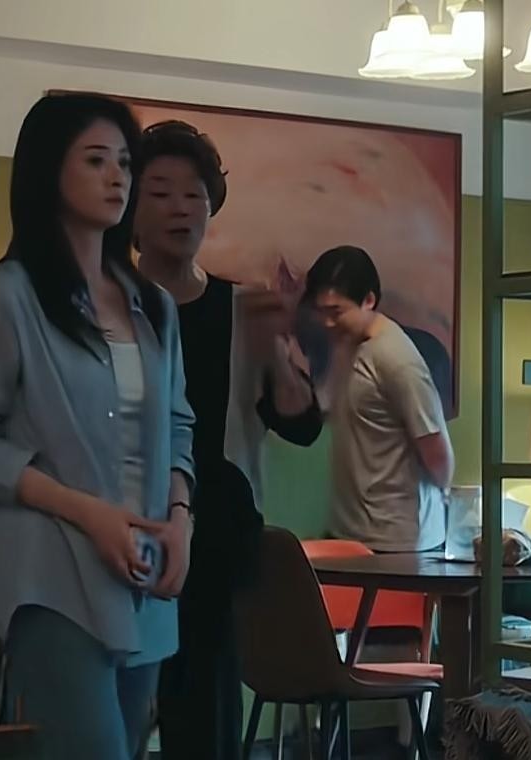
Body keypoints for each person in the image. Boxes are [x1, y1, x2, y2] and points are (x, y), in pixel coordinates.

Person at [0, 93, 195, 760]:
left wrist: (181, 519)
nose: (118, 178)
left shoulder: (154, 305)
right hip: (54, 574)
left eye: (125, 163)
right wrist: (88, 513)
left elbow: (179, 425)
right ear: (49, 170)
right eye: (96, 160)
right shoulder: (1, 298)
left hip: (147, 572)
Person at [133, 119, 322, 760]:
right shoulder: (108, 307)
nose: (181, 208)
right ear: (129, 209)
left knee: (205, 720)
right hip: (124, 530)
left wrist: (277, 353)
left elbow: (300, 424)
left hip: (218, 536)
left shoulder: (243, 308)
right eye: (160, 192)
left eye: (194, 194)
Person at [302, 245, 454, 553]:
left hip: (395, 543)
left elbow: (439, 457)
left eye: (336, 312)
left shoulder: (397, 359)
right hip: (351, 533)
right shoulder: (347, 345)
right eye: (322, 312)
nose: (328, 322)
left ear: (369, 300)